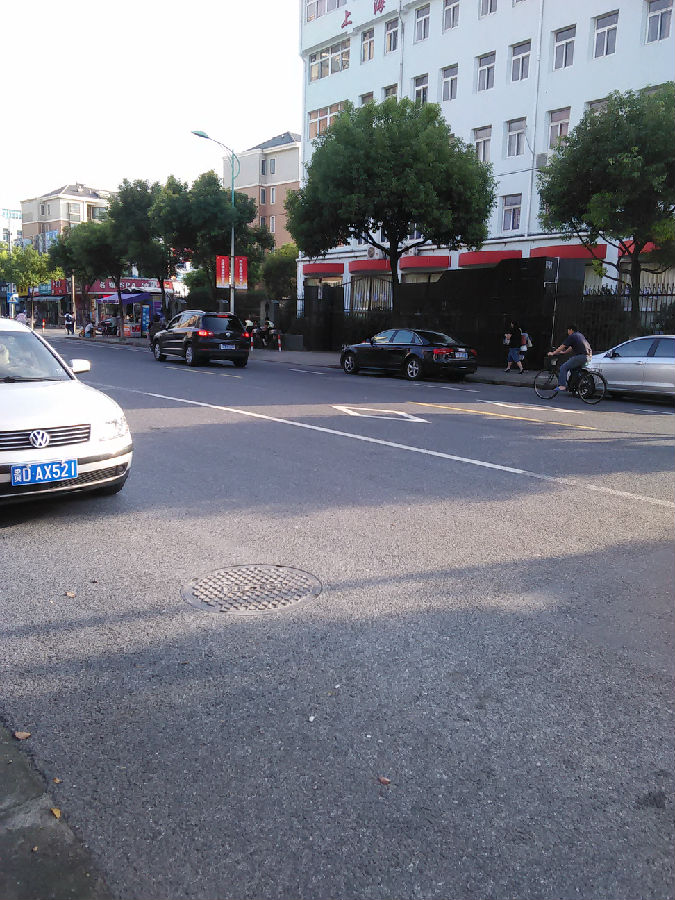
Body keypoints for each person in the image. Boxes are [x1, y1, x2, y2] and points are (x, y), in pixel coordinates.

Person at [548, 325, 592, 391]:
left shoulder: (572, 336)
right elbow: (571, 347)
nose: (568, 332)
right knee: (573, 370)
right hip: (588, 357)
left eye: (568, 330)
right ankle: (574, 386)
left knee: (563, 368)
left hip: (581, 356)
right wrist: (564, 352)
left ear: (571, 330)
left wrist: (553, 353)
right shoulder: (580, 335)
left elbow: (562, 346)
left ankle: (562, 385)